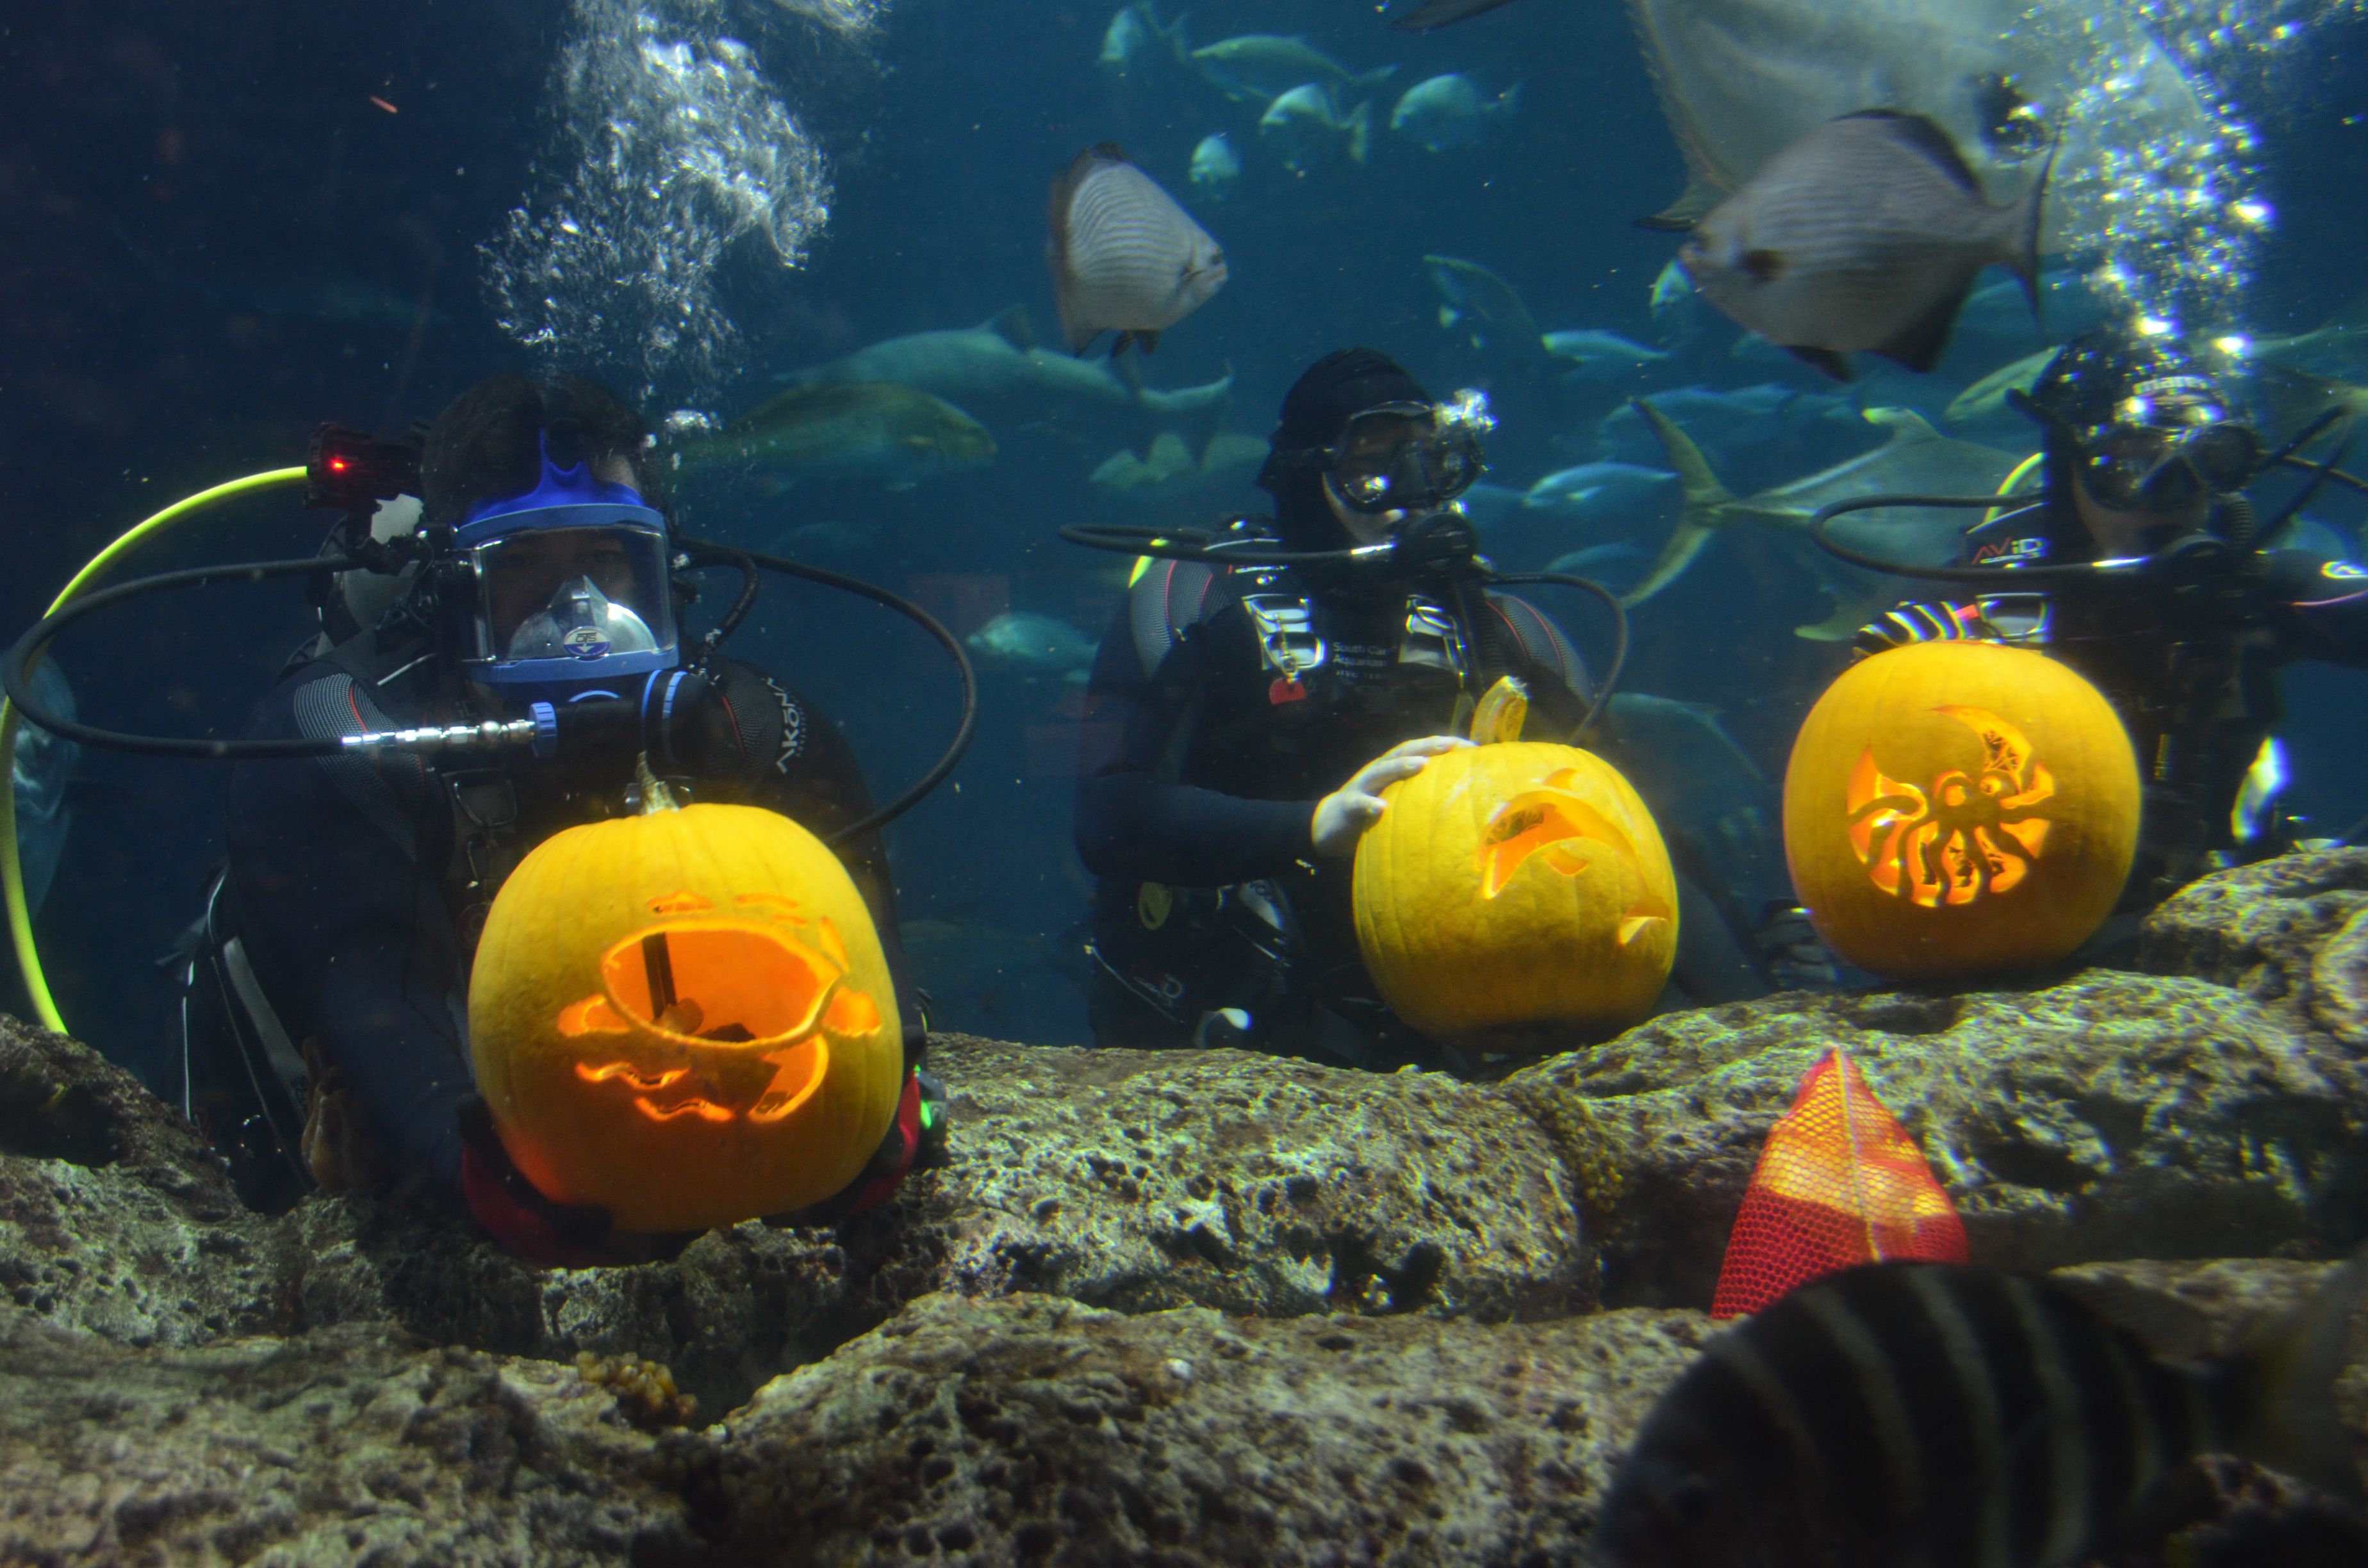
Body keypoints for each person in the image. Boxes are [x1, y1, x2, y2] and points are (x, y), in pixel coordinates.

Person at [179, 373, 939, 1259]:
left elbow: (863, 963)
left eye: (609, 562)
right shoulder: (346, 734)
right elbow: (374, 989)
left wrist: (891, 1108)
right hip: (316, 1172)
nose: (580, 612)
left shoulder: (750, 730)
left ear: (666, 574)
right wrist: (481, 1182)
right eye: (525, 569)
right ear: (454, 587)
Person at [1074, 348, 1764, 1074]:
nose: (1410, 493)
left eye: (1430, 462)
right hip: (1219, 1017)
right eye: (1371, 468)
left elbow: (1635, 831)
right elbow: (1109, 817)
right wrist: (1313, 825)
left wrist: (1755, 1020)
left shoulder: (1493, 628)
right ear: (1308, 474)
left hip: (1438, 1009)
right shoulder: (1202, 597)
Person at [1854, 327, 2368, 913]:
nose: (2174, 494)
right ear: (2068, 466)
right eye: (2130, 463)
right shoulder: (1989, 587)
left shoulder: (2250, 585)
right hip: (2018, 914)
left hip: (2231, 904)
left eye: (2211, 461)